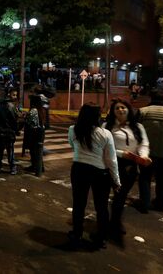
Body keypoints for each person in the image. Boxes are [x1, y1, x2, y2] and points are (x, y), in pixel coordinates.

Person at [67, 103, 121, 249]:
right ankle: (101, 237)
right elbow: (111, 159)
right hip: (99, 172)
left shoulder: (73, 130)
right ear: (98, 116)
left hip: (79, 168)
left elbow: (72, 146)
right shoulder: (105, 134)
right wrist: (116, 180)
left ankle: (76, 233)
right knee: (101, 206)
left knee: (79, 203)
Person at [103, 99, 150, 235]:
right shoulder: (107, 126)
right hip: (110, 163)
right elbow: (104, 147)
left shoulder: (138, 127)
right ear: (113, 112)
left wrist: (143, 156)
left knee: (121, 195)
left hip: (130, 166)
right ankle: (105, 222)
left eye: (123, 107)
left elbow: (143, 144)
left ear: (129, 109)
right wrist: (122, 154)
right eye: (117, 108)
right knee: (105, 194)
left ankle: (115, 221)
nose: (120, 110)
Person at [0, 90, 22, 175]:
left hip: (0, 131)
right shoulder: (11, 106)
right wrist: (17, 130)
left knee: (0, 150)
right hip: (8, 132)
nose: (15, 96)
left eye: (16, 95)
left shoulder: (1, 105)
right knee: (10, 151)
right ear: (9, 95)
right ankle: (12, 168)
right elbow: (14, 121)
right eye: (14, 95)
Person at [22, 94, 46, 176]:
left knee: (34, 151)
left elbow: (28, 122)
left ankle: (36, 167)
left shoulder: (33, 111)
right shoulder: (41, 109)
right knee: (38, 151)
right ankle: (39, 167)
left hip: (34, 133)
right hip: (40, 133)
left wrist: (25, 116)